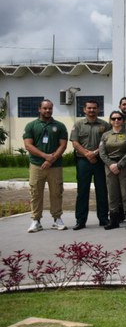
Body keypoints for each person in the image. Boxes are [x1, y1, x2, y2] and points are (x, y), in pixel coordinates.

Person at [23, 99, 68, 233]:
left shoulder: (59, 126)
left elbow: (63, 145)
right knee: (36, 192)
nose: (48, 111)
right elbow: (28, 145)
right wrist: (45, 156)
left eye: (50, 108)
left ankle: (57, 219)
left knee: (56, 192)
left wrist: (51, 159)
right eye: (45, 108)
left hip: (55, 166)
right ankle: (36, 220)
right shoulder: (31, 126)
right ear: (39, 109)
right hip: (36, 165)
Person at [70, 99, 110, 229]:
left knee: (102, 190)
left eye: (94, 108)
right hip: (83, 161)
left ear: (98, 110)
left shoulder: (105, 125)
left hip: (100, 161)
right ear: (84, 110)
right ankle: (80, 220)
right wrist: (87, 154)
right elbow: (75, 142)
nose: (92, 110)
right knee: (82, 191)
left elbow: (106, 142)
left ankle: (103, 218)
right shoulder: (78, 125)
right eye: (89, 108)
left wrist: (95, 153)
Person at [100, 111, 126, 230]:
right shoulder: (105, 135)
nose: (116, 121)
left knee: (125, 193)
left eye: (119, 118)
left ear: (123, 120)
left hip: (124, 166)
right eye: (114, 119)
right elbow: (102, 152)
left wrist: (119, 165)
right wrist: (111, 164)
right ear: (110, 120)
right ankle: (113, 219)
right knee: (112, 194)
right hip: (110, 167)